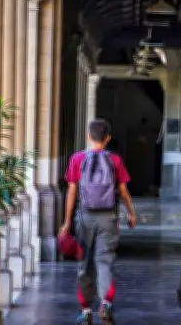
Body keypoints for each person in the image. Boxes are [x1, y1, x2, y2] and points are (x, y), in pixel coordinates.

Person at [61, 119, 137, 325]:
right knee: (105, 261)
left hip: (85, 216)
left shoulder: (77, 159)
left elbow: (72, 191)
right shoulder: (115, 160)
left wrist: (67, 221)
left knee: (84, 263)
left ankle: (85, 311)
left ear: (88, 136)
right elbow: (122, 191)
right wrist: (131, 213)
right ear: (108, 139)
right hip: (109, 218)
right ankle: (105, 304)